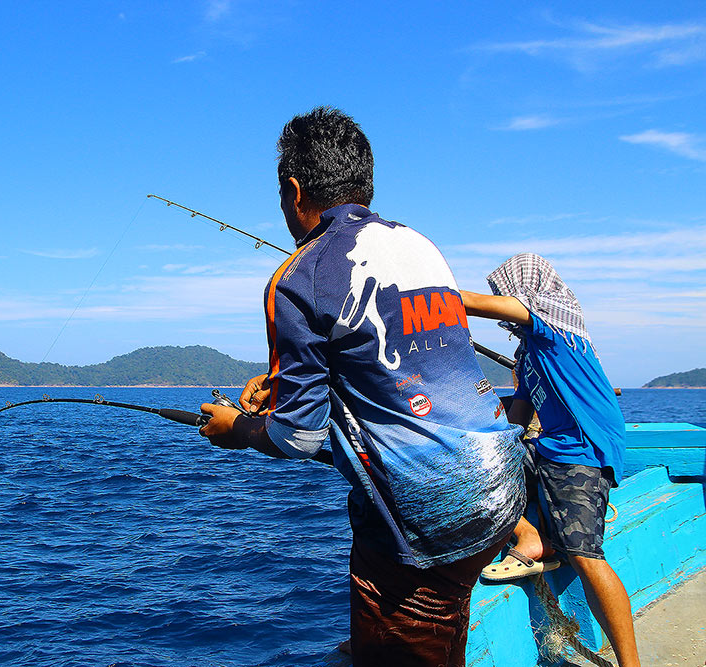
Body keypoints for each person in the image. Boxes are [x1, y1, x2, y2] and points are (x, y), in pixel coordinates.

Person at [199, 106, 526, 667]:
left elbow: (297, 439)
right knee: (444, 631)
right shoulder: (421, 246)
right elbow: (390, 369)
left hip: (427, 516)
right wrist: (279, 383)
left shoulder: (297, 277)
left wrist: (239, 428)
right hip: (499, 487)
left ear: (295, 191)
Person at [461, 254, 640, 667]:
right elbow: (517, 418)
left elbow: (475, 304)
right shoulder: (528, 353)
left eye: (505, 292)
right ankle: (530, 536)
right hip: (549, 448)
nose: (501, 299)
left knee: (585, 555)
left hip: (582, 449)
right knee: (469, 463)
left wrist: (419, 294)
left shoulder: (557, 321)